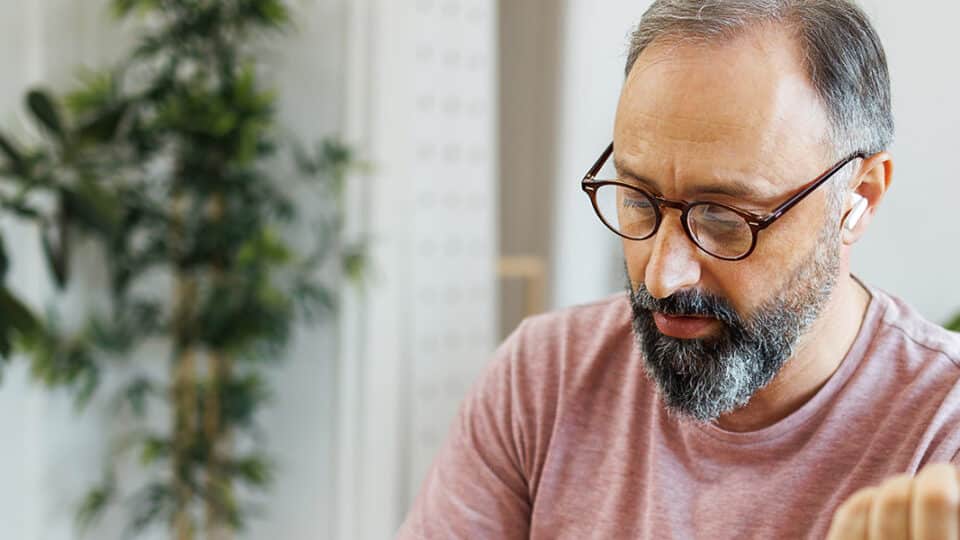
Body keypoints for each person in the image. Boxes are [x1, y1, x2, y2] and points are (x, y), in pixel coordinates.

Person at [397, 1, 960, 538]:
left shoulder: (943, 436)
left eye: (722, 216)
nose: (662, 277)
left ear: (858, 197)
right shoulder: (545, 378)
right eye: (638, 198)